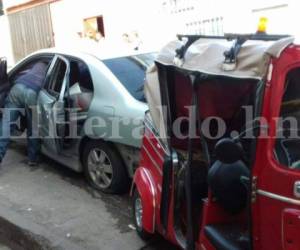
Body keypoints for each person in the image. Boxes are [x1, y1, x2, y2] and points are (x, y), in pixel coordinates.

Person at [0, 61, 48, 166]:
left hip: (18, 88)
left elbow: (21, 71)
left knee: (6, 126)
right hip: (33, 93)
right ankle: (33, 158)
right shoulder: (52, 67)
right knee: (33, 127)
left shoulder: (36, 63)